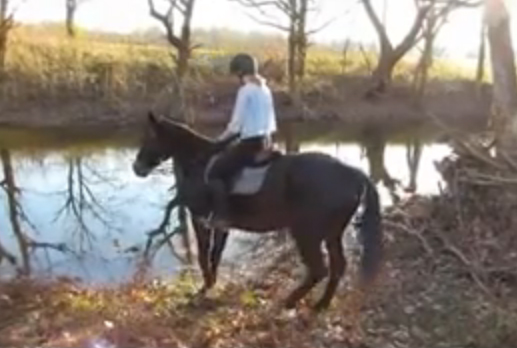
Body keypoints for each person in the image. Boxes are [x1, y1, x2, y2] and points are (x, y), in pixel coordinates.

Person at [207, 53, 278, 228]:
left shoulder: (246, 91)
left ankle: (222, 217)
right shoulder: (265, 89)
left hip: (250, 144)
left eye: (236, 74)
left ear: (240, 72)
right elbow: (271, 121)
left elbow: (236, 125)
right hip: (267, 141)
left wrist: (219, 141)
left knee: (215, 172)